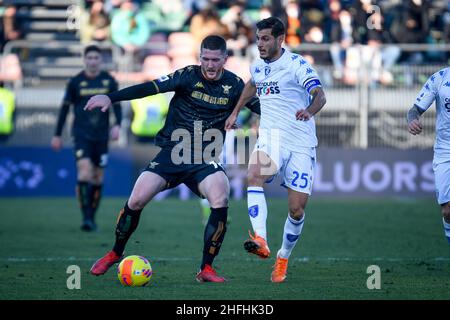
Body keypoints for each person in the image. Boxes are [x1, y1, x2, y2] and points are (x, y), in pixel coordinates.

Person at [85, 35, 260, 283]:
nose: (210, 65)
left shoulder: (234, 85)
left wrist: (287, 117)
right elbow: (149, 88)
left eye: (215, 60)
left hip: (204, 157)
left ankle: (206, 269)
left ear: (225, 59)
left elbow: (259, 107)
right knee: (136, 199)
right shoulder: (187, 75)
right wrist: (110, 98)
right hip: (172, 153)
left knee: (220, 195)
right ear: (200, 57)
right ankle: (115, 252)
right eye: (205, 59)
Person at [225, 17, 326, 283]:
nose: (260, 43)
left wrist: (309, 110)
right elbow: (250, 86)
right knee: (254, 174)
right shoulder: (258, 67)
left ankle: (282, 257)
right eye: (258, 38)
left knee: (296, 210)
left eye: (266, 38)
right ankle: (261, 239)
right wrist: (235, 111)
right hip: (271, 137)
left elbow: (320, 95)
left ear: (280, 39)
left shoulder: (296, 65)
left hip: (301, 142)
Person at [51, 45, 122, 232]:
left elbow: (117, 106)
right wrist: (57, 134)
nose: (92, 61)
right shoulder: (75, 82)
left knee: (98, 177)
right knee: (84, 172)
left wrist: (117, 125)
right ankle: (87, 218)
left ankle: (92, 215)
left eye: (95, 58)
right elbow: (64, 108)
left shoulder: (108, 81)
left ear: (100, 60)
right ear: (84, 60)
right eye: (89, 58)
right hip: (81, 134)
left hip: (101, 136)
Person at [407, 67, 450, 245]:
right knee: (447, 211)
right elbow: (414, 109)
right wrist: (412, 119)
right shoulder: (440, 78)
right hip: (445, 150)